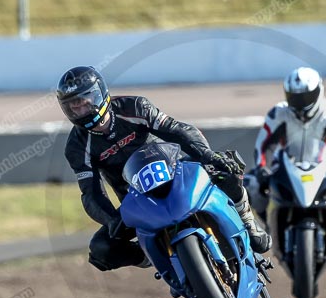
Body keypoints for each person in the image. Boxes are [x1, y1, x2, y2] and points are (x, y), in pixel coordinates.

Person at [59, 66, 272, 272]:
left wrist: (208, 156)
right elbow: (91, 192)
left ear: (100, 94)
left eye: (83, 102)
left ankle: (248, 223)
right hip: (137, 198)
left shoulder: (134, 107)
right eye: (72, 107)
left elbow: (177, 130)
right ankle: (153, 258)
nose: (79, 110)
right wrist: (111, 220)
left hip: (177, 171)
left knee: (226, 168)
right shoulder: (76, 146)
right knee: (101, 249)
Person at [247, 67, 326, 250]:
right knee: (251, 184)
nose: (299, 103)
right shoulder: (278, 113)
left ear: (318, 92)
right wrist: (261, 168)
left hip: (323, 166)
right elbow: (263, 146)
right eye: (294, 97)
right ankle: (266, 227)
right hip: (284, 166)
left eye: (305, 97)